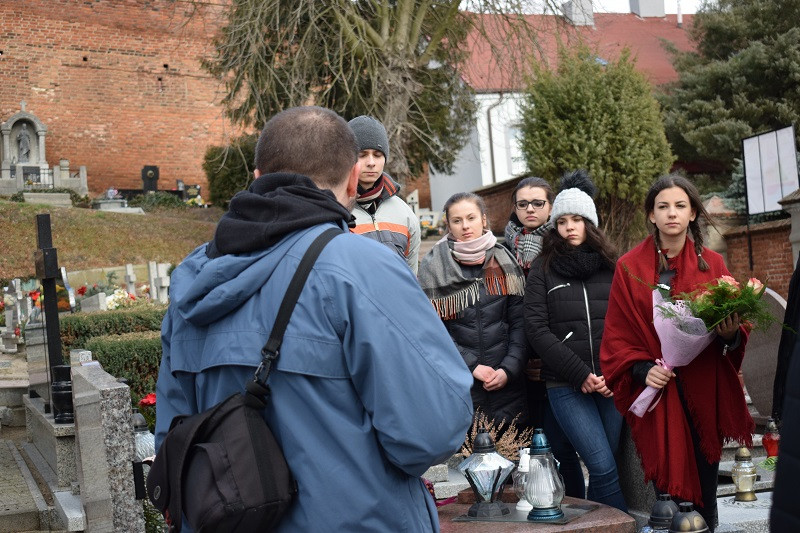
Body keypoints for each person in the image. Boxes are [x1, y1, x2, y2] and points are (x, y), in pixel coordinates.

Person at [155, 106, 473, 532]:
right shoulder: (363, 268)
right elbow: (433, 428)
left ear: (257, 178)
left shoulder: (193, 279)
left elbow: (173, 438)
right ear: (351, 179)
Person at [600, 174, 753, 530]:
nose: (672, 214)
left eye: (680, 206)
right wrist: (641, 370)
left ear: (693, 214)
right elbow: (617, 337)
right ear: (651, 215)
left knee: (705, 489)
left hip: (704, 389)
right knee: (666, 501)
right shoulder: (629, 267)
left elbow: (734, 332)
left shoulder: (713, 265)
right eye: (663, 206)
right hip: (660, 393)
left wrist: (730, 335)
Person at [524, 170, 626, 512]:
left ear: (590, 223)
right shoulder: (542, 269)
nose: (570, 226)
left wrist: (614, 372)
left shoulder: (613, 267)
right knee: (602, 465)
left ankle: (593, 524)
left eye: (578, 219)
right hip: (567, 385)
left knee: (607, 465)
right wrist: (580, 373)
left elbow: (627, 324)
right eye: (563, 220)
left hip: (613, 382)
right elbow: (537, 330)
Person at [418, 192, 529, 428]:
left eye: (471, 218)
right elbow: (432, 331)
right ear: (448, 225)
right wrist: (471, 367)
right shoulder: (432, 268)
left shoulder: (505, 261)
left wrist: (509, 369)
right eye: (457, 221)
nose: (465, 226)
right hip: (459, 387)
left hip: (509, 386)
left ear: (484, 220)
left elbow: (520, 323)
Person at [504, 176, 584, 499]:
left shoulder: (560, 247)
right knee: (527, 450)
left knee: (561, 445)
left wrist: (545, 358)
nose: (530, 209)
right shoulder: (502, 250)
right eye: (523, 204)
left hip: (555, 361)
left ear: (550, 206)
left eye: (538, 203)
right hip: (516, 363)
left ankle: (577, 506)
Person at [348, 115, 421, 274]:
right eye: (362, 154)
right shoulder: (335, 210)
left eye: (378, 154)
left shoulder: (404, 213)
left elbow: (412, 277)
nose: (371, 162)